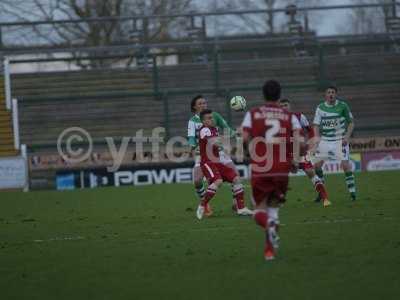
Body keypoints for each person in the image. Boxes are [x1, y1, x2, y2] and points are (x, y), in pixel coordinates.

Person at [242, 80, 302, 261]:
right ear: (279, 94)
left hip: (261, 167)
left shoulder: (253, 114)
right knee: (274, 208)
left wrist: (248, 152)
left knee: (258, 210)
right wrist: (296, 160)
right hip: (282, 167)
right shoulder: (290, 116)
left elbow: (244, 138)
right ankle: (269, 252)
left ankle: (268, 226)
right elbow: (299, 140)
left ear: (263, 94)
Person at [187, 95, 253, 217]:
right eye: (200, 103)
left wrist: (235, 132)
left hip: (219, 153)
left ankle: (237, 204)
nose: (203, 105)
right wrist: (192, 144)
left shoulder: (214, 115)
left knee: (235, 176)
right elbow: (191, 138)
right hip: (203, 154)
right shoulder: (193, 121)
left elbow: (227, 129)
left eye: (204, 103)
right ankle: (205, 204)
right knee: (197, 180)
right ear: (194, 107)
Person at [279, 99, 330, 207]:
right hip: (285, 152)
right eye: (282, 105)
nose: (284, 107)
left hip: (300, 150)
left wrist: (312, 143)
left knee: (310, 172)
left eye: (286, 105)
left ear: (290, 106)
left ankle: (325, 197)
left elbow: (309, 130)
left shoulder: (299, 116)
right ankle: (279, 199)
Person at [312, 86, 357, 201]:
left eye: (333, 92)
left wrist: (347, 136)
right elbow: (316, 125)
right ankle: (321, 193)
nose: (331, 94)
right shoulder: (320, 108)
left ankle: (352, 193)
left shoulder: (343, 106)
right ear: (325, 95)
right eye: (329, 92)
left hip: (339, 140)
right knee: (317, 166)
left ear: (336, 94)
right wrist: (317, 138)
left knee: (345, 165)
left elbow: (351, 123)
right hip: (325, 141)